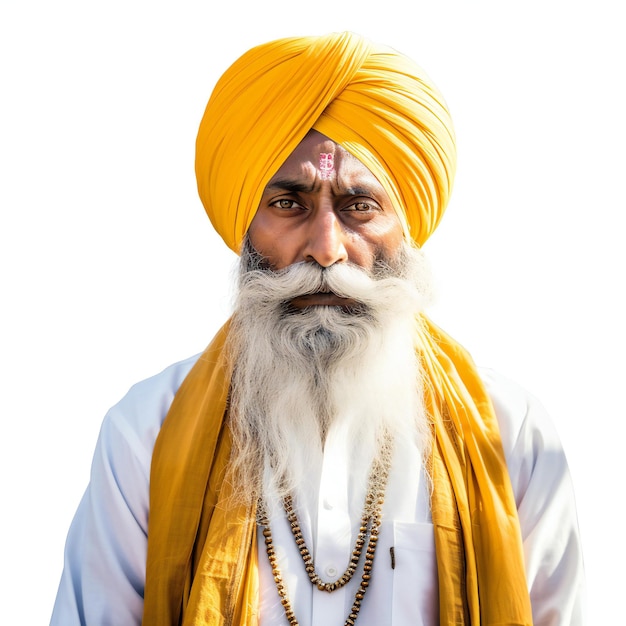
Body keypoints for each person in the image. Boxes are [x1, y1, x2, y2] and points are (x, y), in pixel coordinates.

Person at [50, 32, 585, 626]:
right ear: (245, 226)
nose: (327, 249)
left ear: (405, 227)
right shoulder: (144, 434)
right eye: (288, 203)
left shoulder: (513, 437)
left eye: (359, 205)